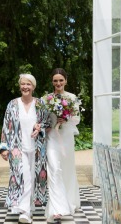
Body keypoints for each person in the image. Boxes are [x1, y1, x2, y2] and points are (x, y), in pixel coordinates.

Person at [0, 74, 49, 224]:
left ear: (33, 87)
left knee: (33, 178)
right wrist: (4, 147)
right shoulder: (12, 104)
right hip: (17, 148)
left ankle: (28, 208)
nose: (25, 87)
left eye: (28, 84)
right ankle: (25, 212)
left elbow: (47, 123)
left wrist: (39, 127)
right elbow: (6, 125)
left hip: (37, 148)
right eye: (23, 84)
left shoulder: (40, 104)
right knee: (23, 176)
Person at [44, 68, 81, 222]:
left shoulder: (72, 98)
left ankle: (69, 201)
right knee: (53, 168)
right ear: (52, 82)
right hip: (52, 137)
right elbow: (42, 118)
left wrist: (66, 119)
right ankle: (56, 208)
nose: (58, 83)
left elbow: (77, 119)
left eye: (61, 80)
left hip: (66, 138)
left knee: (67, 169)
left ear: (65, 81)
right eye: (55, 80)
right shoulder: (47, 99)